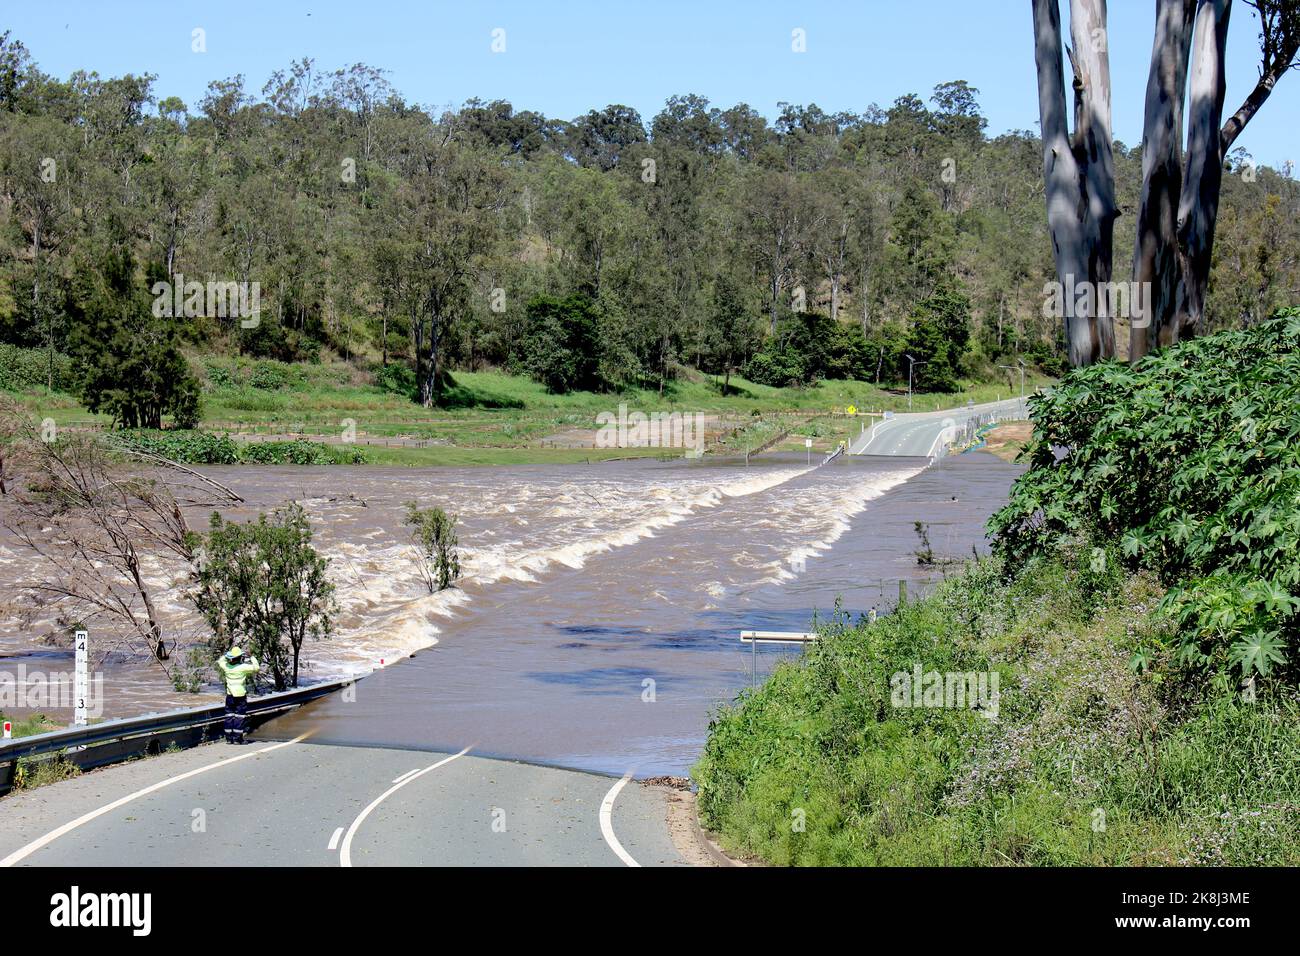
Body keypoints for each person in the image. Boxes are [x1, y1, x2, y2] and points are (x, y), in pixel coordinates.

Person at [216, 646, 260, 744]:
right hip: (240, 696)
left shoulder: (226, 666)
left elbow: (220, 661)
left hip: (230, 695)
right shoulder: (243, 667)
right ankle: (237, 738)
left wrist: (227, 654)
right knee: (239, 717)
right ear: (240, 657)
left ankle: (228, 738)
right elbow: (256, 668)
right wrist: (251, 657)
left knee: (229, 716)